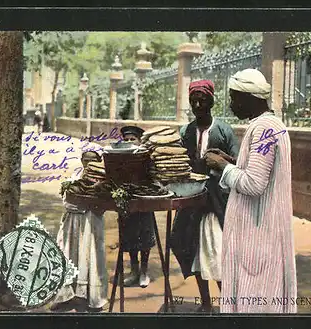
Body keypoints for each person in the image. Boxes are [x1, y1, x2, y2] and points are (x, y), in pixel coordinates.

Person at [204, 69, 297, 313]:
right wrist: (234, 162)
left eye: (235, 98)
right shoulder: (271, 125)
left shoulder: (264, 128)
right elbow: (257, 171)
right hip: (261, 231)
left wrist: (222, 166)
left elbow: (254, 184)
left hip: (257, 235)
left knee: (255, 303)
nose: (232, 105)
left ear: (249, 99)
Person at [171, 79, 240, 312]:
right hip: (192, 199)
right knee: (189, 246)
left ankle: (228, 304)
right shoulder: (186, 131)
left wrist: (220, 162)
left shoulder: (223, 131)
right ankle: (206, 303)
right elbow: (179, 162)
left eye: (203, 100)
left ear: (211, 102)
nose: (198, 105)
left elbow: (238, 163)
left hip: (216, 202)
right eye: (194, 101)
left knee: (215, 251)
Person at [51, 151, 108, 312]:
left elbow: (102, 204)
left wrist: (85, 202)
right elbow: (67, 200)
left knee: (91, 257)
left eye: (93, 161)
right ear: (82, 161)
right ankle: (65, 296)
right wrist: (82, 202)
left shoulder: (103, 179)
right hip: (71, 222)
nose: (89, 164)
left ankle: (92, 298)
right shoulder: (74, 176)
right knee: (68, 255)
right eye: (86, 160)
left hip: (91, 222)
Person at [118, 126, 157, 288]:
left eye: (132, 139)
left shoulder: (146, 156)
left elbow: (155, 175)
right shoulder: (118, 156)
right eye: (126, 140)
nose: (129, 142)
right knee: (129, 235)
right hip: (127, 200)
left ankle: (144, 272)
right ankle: (134, 271)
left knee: (145, 235)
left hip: (144, 200)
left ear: (140, 141)